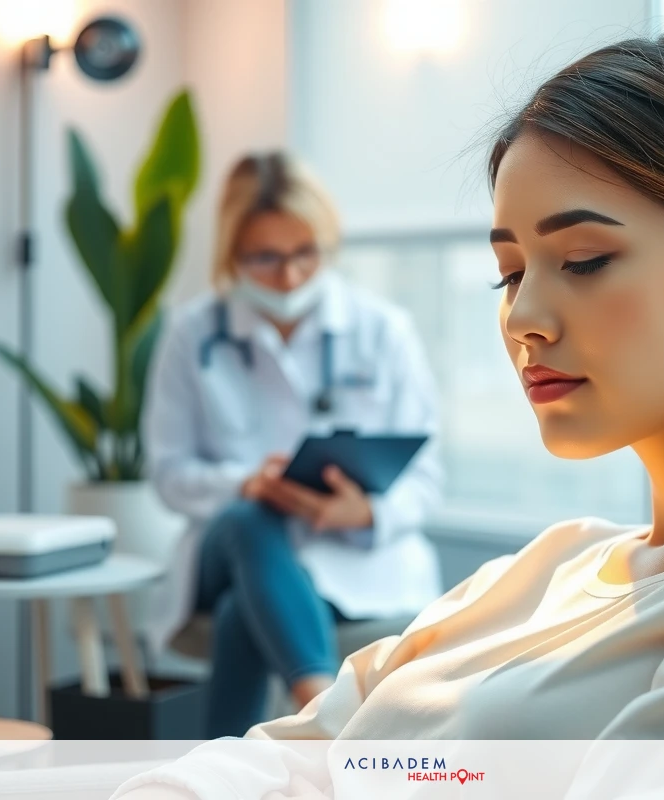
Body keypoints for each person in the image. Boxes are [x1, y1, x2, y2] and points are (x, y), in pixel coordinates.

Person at [115, 25, 664, 799]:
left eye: (582, 260)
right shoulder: (552, 563)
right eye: (510, 273)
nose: (521, 319)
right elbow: (288, 753)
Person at [141, 151, 444, 737]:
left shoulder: (382, 330)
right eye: (265, 258)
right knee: (249, 518)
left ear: (327, 244)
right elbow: (169, 474)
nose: (289, 277)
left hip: (351, 553)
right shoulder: (192, 334)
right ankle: (327, 718)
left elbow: (427, 477)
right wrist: (246, 482)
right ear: (232, 256)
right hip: (223, 547)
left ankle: (235, 769)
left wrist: (368, 512)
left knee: (241, 617)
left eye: (306, 253)